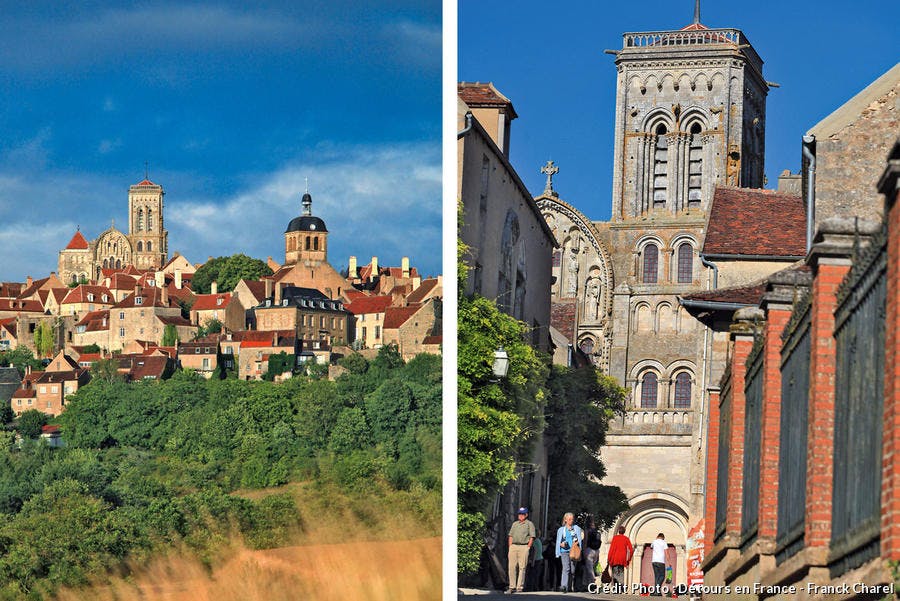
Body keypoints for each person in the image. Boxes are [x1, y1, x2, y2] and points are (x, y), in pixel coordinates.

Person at [507, 507, 536, 594]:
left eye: (522, 514)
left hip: (524, 547)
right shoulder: (515, 524)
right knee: (511, 567)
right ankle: (512, 587)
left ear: (526, 515)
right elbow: (510, 535)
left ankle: (519, 587)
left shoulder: (529, 524)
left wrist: (528, 547)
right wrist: (510, 546)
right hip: (514, 546)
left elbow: (532, 536)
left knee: (522, 567)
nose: (520, 516)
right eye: (519, 514)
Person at [555, 512, 584, 593]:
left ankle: (569, 586)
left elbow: (580, 540)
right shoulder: (561, 530)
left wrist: (579, 549)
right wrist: (561, 546)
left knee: (572, 570)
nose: (571, 521)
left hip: (574, 552)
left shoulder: (576, 528)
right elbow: (558, 541)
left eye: (572, 519)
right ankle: (564, 586)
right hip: (564, 551)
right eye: (569, 519)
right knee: (566, 569)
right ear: (565, 520)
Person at [607, 526, 634, 592]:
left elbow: (611, 549)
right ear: (624, 531)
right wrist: (629, 559)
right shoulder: (626, 539)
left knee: (615, 573)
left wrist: (609, 559)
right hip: (622, 559)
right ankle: (621, 587)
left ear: (619, 531)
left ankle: (617, 589)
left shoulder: (615, 538)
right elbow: (631, 549)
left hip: (615, 559)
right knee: (621, 573)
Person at [583, 517, 601, 589]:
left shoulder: (587, 530)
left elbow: (585, 540)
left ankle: (592, 581)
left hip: (589, 550)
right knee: (591, 567)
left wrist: (584, 550)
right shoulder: (597, 531)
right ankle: (589, 585)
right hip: (596, 550)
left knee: (589, 568)